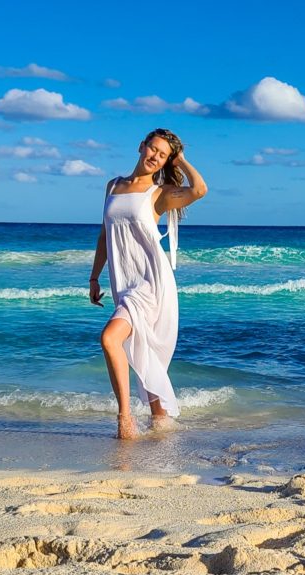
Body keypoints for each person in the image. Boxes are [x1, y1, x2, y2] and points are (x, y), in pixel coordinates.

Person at [88, 128, 208, 440]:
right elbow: (104, 234)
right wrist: (94, 276)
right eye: (153, 149)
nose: (155, 157)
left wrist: (181, 162)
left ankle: (125, 419)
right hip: (123, 280)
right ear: (141, 146)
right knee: (139, 348)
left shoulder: (159, 193)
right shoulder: (113, 185)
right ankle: (161, 422)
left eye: (163, 155)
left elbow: (199, 190)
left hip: (150, 282)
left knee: (110, 339)